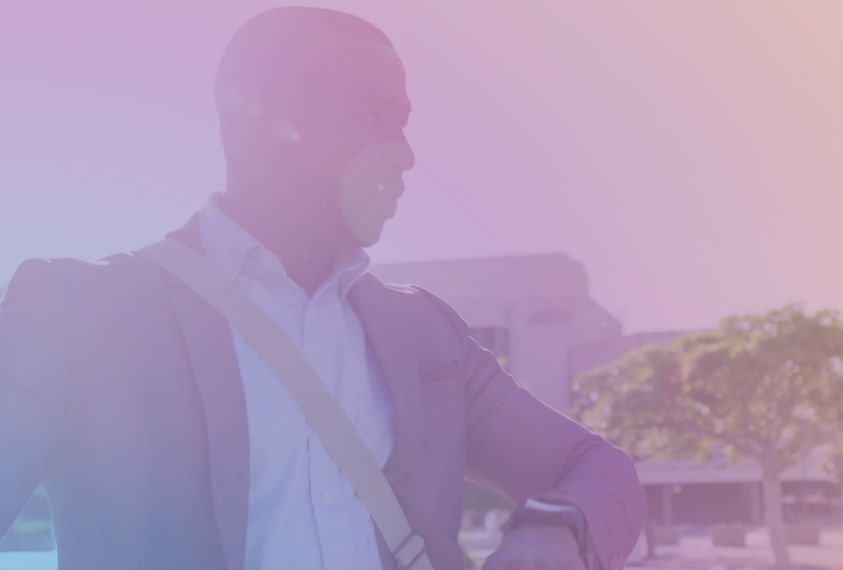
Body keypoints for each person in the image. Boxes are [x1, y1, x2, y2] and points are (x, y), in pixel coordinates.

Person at [0, 7, 644, 570]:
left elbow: (596, 468)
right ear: (255, 120)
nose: (405, 154)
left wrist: (556, 527)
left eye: (404, 123)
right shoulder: (76, 315)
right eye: (373, 117)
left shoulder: (427, 336)